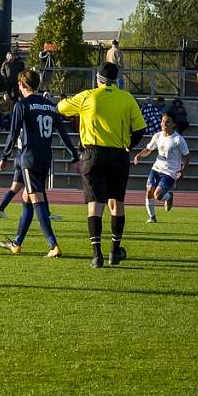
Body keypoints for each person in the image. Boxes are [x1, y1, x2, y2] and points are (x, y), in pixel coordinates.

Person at [57, 61, 147, 268]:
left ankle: (96, 255)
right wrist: (129, 146)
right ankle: (115, 252)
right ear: (116, 80)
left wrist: (63, 100)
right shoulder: (126, 98)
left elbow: (61, 108)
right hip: (117, 154)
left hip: (92, 154)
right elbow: (140, 129)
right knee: (116, 203)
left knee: (95, 204)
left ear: (97, 79)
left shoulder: (88, 96)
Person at [0, 70, 79, 258]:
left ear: (23, 85)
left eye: (19, 84)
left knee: (36, 200)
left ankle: (53, 245)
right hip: (45, 159)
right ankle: (17, 243)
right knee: (27, 198)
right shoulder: (50, 106)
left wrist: (5, 156)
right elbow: (64, 134)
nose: (18, 86)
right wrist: (74, 156)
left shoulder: (22, 105)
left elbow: (13, 132)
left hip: (29, 158)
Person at [134, 113, 190, 222]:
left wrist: (183, 170)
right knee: (149, 190)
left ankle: (169, 197)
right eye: (163, 121)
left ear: (173, 124)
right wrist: (139, 155)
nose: (164, 124)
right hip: (156, 168)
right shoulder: (157, 136)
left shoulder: (178, 139)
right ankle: (152, 218)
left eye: (167, 121)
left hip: (170, 172)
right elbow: (149, 149)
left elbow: (187, 156)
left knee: (158, 196)